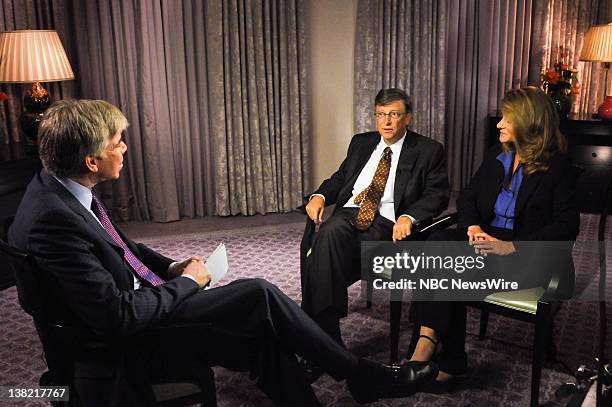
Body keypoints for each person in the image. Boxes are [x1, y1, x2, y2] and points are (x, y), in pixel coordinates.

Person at [7, 99, 440, 406]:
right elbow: (119, 318)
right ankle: (359, 374)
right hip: (122, 346)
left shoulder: (58, 189)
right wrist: (186, 283)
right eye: (117, 142)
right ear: (90, 159)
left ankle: (353, 378)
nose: (124, 148)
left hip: (139, 307)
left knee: (263, 340)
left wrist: (169, 265)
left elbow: (122, 247)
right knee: (257, 293)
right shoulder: (54, 221)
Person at [407, 86, 580, 388]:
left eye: (507, 119)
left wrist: (510, 246)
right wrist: (473, 227)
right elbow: (468, 198)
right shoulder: (497, 154)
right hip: (486, 240)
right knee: (437, 245)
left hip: (526, 253)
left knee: (447, 270)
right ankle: (433, 346)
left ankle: (438, 356)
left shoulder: (559, 167)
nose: (499, 124)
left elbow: (566, 226)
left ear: (529, 123)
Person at [301, 88, 450, 349]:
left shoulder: (428, 150)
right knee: (329, 235)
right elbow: (340, 177)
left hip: (386, 222)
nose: (387, 121)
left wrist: (409, 216)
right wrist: (320, 196)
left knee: (321, 244)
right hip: (351, 213)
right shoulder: (361, 142)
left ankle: (322, 339)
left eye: (394, 114)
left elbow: (437, 195)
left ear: (408, 117)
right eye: (381, 115)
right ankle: (328, 338)